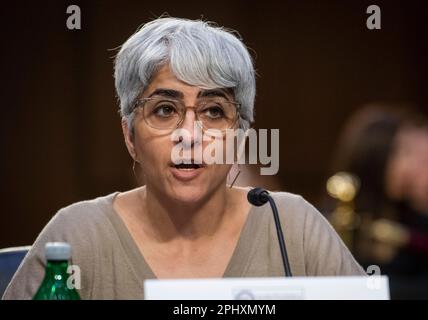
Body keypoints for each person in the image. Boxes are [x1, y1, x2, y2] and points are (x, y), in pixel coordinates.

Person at [3, 17, 364, 300]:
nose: (190, 135)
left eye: (213, 111)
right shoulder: (78, 236)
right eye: (164, 110)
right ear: (130, 136)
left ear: (238, 137)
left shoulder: (292, 227)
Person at [325, 104, 428, 299]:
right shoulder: (335, 220)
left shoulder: (422, 222)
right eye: (404, 152)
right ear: (375, 156)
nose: (412, 164)